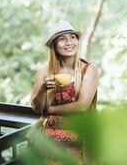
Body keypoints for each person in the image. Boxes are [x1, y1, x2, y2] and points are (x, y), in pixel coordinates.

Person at [30, 20, 98, 164]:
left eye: (72, 37)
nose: (69, 42)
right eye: (62, 39)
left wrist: (50, 109)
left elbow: (82, 106)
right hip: (49, 140)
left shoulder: (89, 70)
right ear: (54, 45)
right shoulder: (44, 70)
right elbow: (36, 108)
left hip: (79, 140)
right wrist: (43, 89)